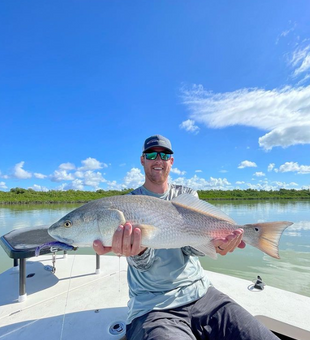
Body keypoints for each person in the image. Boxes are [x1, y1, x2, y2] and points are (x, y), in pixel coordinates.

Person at [93, 135, 279, 340]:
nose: (158, 159)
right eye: (151, 154)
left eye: (164, 155)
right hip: (153, 307)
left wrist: (216, 245)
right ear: (142, 159)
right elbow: (142, 265)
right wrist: (139, 251)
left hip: (203, 294)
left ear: (171, 161)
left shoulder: (186, 194)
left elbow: (190, 248)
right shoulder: (127, 203)